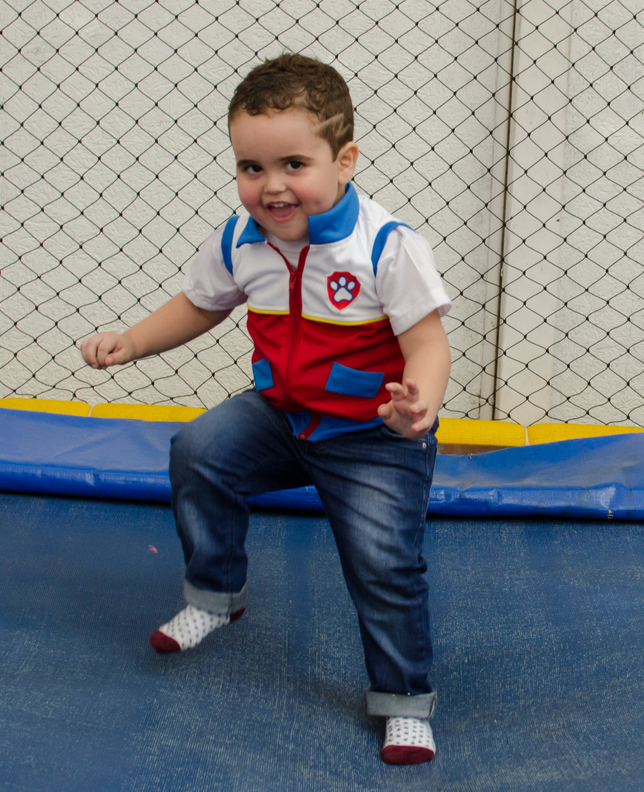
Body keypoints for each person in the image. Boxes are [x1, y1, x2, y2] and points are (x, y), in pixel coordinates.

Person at [80, 53, 451, 766]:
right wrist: (133, 340)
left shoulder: (385, 246)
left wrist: (420, 405)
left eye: (292, 163)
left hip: (375, 433)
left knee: (382, 561)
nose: (272, 186)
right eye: (251, 167)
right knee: (199, 450)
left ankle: (404, 700)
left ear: (344, 160)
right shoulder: (240, 239)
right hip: (281, 414)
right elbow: (199, 305)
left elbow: (427, 343)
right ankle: (217, 594)